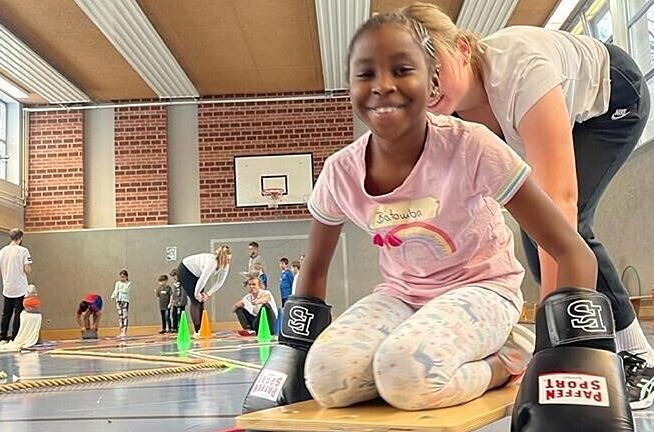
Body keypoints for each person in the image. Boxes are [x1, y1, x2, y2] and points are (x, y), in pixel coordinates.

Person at [242, 13, 633, 429]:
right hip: (402, 297)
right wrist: (293, 348)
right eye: (367, 73)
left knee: (405, 374)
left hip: (482, 290)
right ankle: (418, 357)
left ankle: (506, 355)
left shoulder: (472, 146)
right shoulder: (341, 171)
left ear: (429, 82)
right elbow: (314, 270)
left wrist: (561, 349)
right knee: (326, 376)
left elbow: (571, 248)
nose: (384, 86)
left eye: (402, 69)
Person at [401, 2, 654, 409]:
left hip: (612, 98)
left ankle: (642, 359)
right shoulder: (444, 117)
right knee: (534, 229)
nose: (429, 86)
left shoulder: (520, 69)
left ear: (461, 47)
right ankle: (604, 345)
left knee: (566, 227)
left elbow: (558, 202)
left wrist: (548, 340)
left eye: (432, 66)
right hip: (558, 113)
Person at [176, 245, 232, 336]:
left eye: (230, 260)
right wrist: (197, 293)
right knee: (195, 300)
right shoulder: (212, 262)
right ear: (222, 259)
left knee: (201, 301)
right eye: (228, 260)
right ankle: (197, 330)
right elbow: (203, 279)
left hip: (196, 275)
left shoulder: (225, 266)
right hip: (185, 271)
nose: (229, 262)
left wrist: (208, 294)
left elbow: (219, 282)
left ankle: (202, 328)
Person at [0, 284, 42, 353]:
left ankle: (6, 337)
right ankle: (8, 337)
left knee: (7, 315)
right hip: (14, 291)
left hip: (10, 291)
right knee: (10, 315)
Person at [0, 228, 32, 343]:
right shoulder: (23, 251)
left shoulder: (2, 251)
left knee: (6, 313)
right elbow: (27, 269)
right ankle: (15, 337)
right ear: (20, 238)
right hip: (20, 287)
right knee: (18, 313)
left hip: (7, 287)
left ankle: (3, 337)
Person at [110, 269, 132, 338]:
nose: (121, 278)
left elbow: (125, 291)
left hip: (125, 300)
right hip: (118, 300)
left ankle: (124, 331)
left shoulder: (129, 283)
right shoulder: (118, 283)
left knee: (125, 316)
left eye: (123, 277)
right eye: (121, 277)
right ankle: (121, 330)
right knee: (120, 316)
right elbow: (115, 290)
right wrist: (113, 296)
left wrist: (119, 290)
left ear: (126, 276)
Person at [169, 268, 187, 333]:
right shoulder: (175, 284)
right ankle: (175, 327)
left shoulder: (183, 283)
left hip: (181, 302)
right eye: (173, 276)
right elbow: (174, 293)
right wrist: (173, 301)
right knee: (174, 314)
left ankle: (181, 327)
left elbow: (183, 293)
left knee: (181, 315)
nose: (174, 277)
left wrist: (181, 302)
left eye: (175, 276)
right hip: (175, 302)